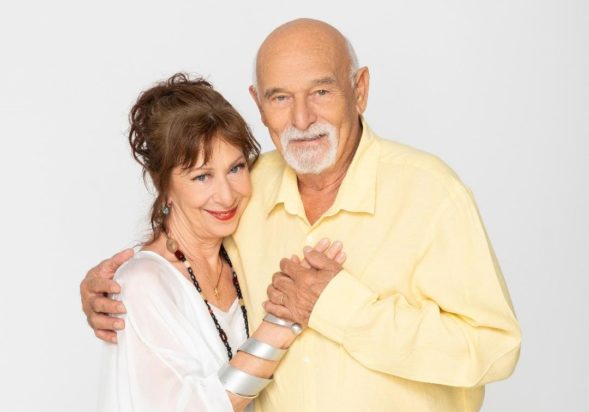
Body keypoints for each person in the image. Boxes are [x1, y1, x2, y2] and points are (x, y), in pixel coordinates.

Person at [82, 19, 522, 412]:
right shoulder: (248, 189)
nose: (302, 118)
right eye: (280, 97)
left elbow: (495, 349)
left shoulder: (430, 193)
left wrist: (337, 306)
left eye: (321, 92)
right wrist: (119, 286)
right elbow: (186, 254)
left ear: (360, 90)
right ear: (258, 104)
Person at [95, 72, 345, 412]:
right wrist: (283, 320)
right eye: (202, 176)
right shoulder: (143, 283)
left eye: (236, 168)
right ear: (163, 184)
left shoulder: (241, 256)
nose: (226, 196)